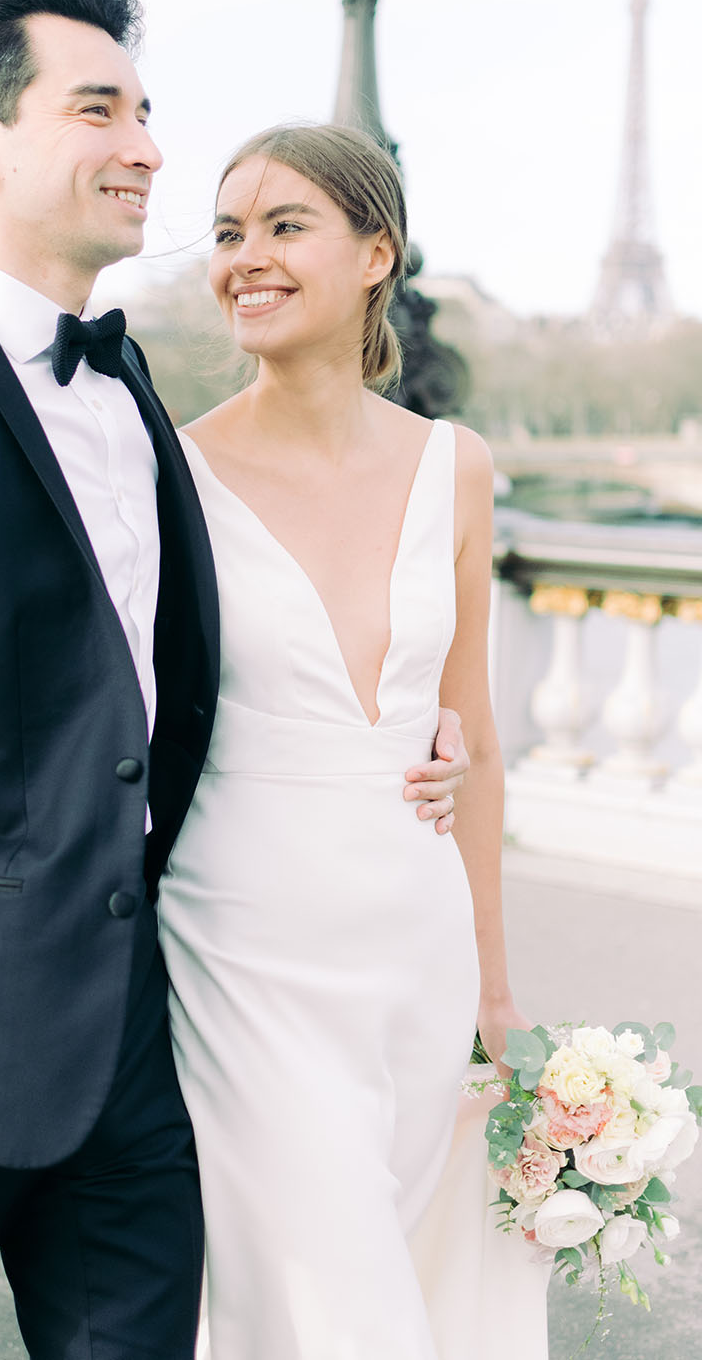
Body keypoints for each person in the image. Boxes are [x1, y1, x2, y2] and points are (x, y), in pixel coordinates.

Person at [0, 0, 468, 1359]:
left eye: (148, 112)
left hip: (143, 1069)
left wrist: (410, 729)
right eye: (100, 111)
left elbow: (180, 675)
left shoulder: (138, 387)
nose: (148, 148)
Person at [153, 125, 544, 1359]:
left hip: (413, 948)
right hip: (241, 948)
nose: (244, 258)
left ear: (377, 253)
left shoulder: (456, 468)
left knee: (408, 1280)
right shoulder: (172, 472)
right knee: (332, 1299)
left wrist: (490, 980)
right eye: (226, 233)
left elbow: (472, 735)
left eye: (282, 227)